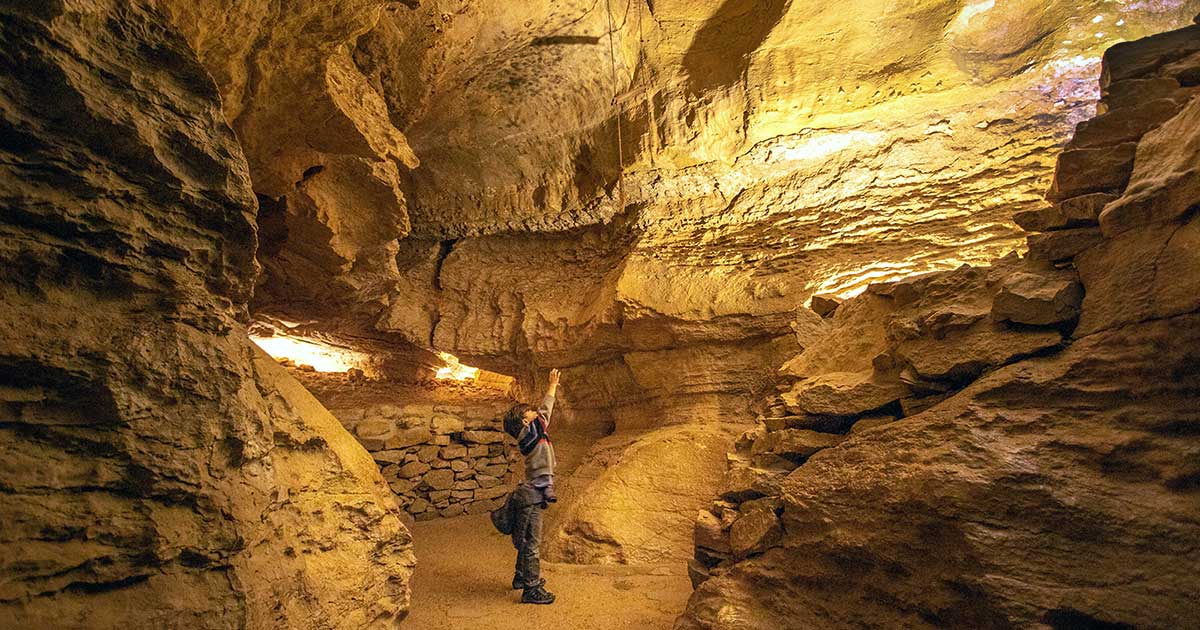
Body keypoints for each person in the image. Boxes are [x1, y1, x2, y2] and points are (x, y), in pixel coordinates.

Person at [501, 368, 561, 605]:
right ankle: (531, 589)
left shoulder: (537, 432)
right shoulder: (528, 434)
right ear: (525, 422)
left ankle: (520, 577)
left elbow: (545, 411)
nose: (536, 411)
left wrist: (553, 386)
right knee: (533, 543)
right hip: (531, 495)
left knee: (527, 538)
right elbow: (544, 411)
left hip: (532, 492)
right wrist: (550, 388)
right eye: (530, 412)